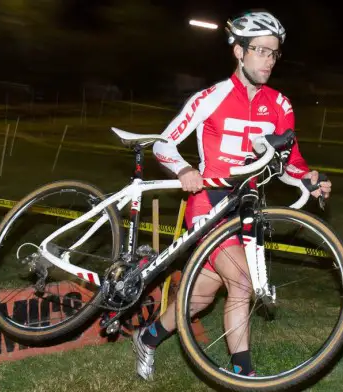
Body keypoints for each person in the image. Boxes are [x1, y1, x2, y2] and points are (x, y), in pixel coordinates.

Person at [132, 10, 332, 380]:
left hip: (248, 208)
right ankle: (245, 376)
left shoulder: (280, 105)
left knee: (201, 297)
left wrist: (309, 180)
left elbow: (291, 162)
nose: (269, 60)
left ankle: (147, 337)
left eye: (274, 53)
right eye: (260, 51)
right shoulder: (211, 97)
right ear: (238, 52)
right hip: (210, 202)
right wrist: (184, 169)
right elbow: (163, 144)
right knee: (242, 282)